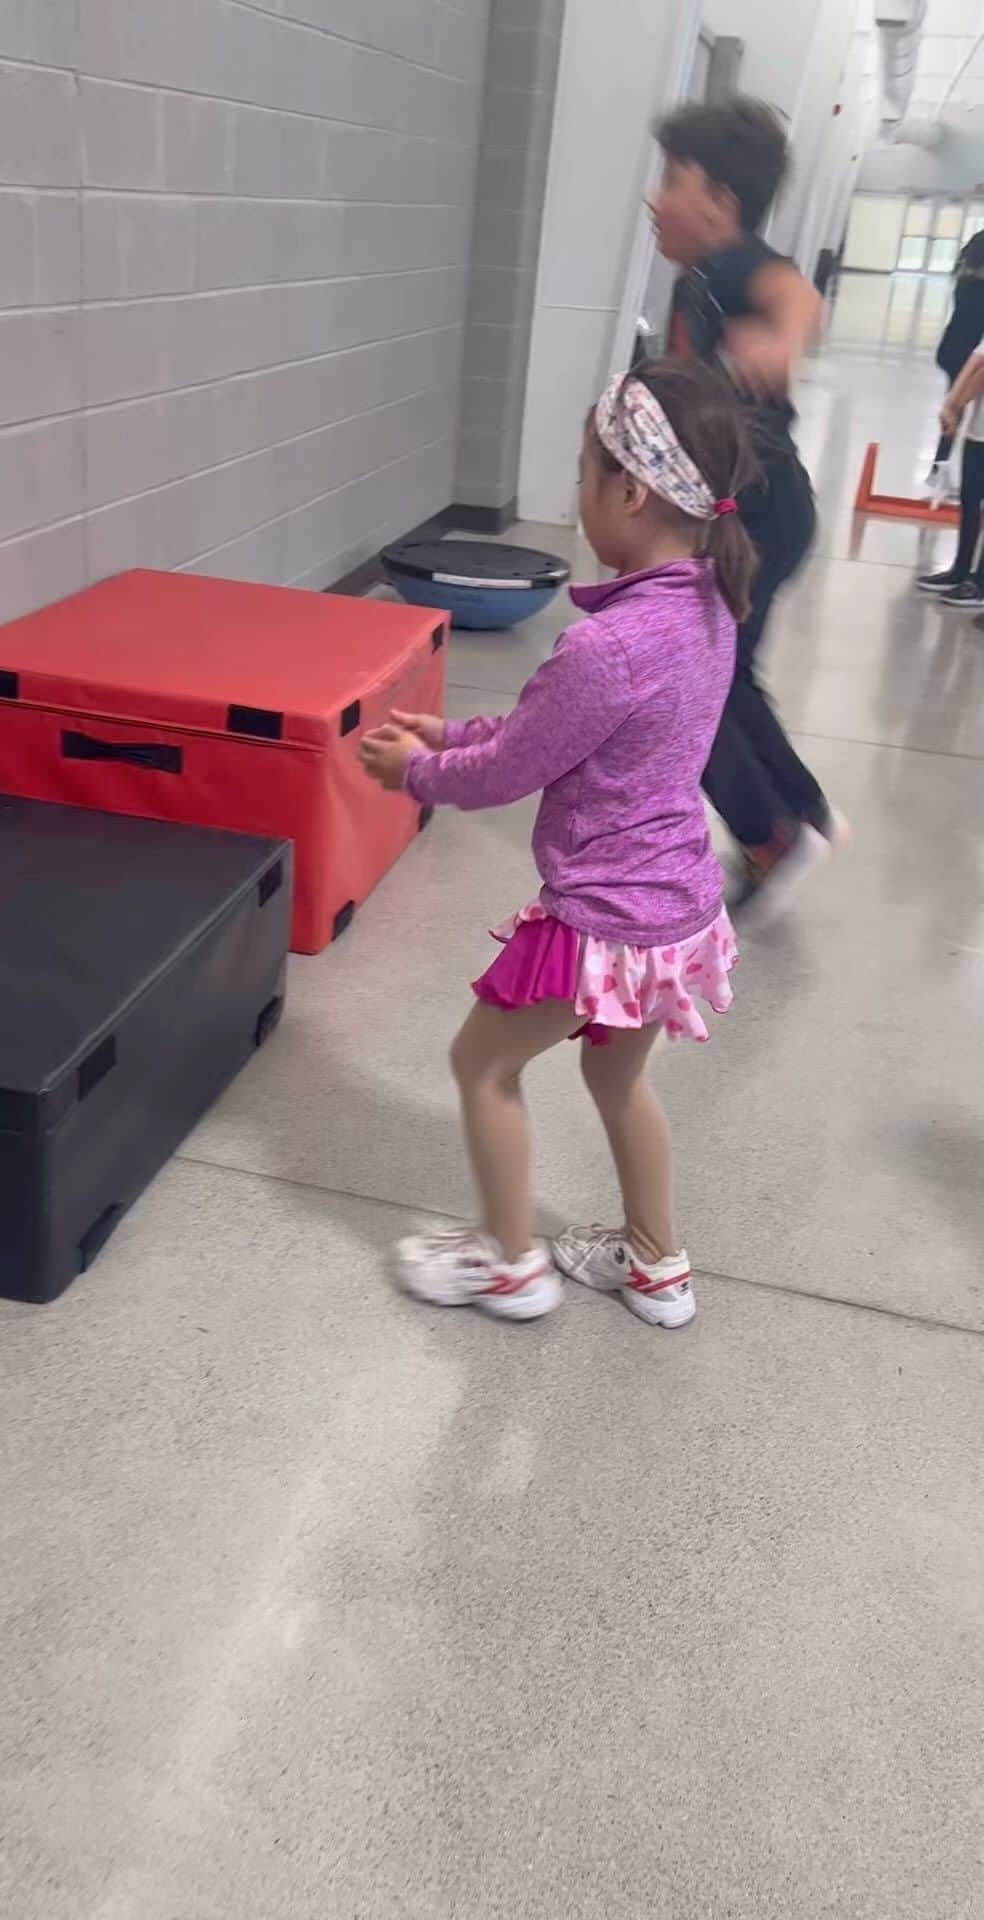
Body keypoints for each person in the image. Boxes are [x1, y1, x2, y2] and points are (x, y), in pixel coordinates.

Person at [358, 360, 756, 1327]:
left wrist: (411, 771)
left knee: (482, 1067)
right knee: (618, 1077)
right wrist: (446, 733)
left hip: (601, 922)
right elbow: (555, 737)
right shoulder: (709, 606)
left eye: (584, 475)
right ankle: (659, 1267)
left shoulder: (607, 645)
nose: (577, 498)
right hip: (675, 908)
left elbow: (512, 772)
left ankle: (507, 1265)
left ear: (631, 488)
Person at [650, 97, 844, 926]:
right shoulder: (695, 281)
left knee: (682, 685)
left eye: (672, 180)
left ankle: (768, 834)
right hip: (757, 510)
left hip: (759, 513)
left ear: (722, 205)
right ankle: (802, 811)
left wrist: (785, 339)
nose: (655, 198)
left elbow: (795, 293)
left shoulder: (734, 265)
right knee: (725, 676)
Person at [918, 333, 984, 608]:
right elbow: (976, 360)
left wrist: (955, 403)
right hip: (979, 429)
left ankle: (979, 583)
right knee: (970, 498)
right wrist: (951, 403)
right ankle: (960, 569)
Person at [929, 231, 984, 479]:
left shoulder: (965, 281)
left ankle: (940, 467)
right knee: (956, 410)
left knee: (956, 408)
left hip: (952, 349)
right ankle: (939, 468)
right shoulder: (978, 289)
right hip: (967, 356)